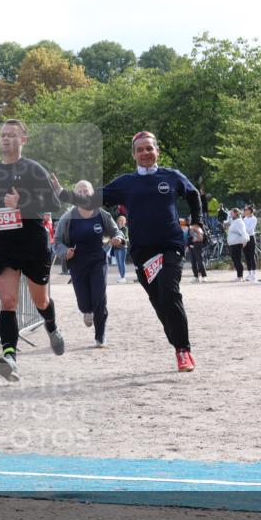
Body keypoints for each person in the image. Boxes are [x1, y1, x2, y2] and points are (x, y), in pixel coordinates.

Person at [53, 130, 203, 372]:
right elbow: (91, 200)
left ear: (157, 151)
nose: (145, 153)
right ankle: (177, 341)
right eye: (140, 149)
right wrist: (63, 194)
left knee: (170, 292)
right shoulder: (125, 183)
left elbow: (193, 194)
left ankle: (182, 350)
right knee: (159, 301)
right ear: (134, 154)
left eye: (149, 148)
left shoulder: (172, 177)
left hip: (171, 246)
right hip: (143, 252)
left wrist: (197, 223)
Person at [0, 119, 65, 382]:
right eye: (3, 135)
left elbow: (53, 204)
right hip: (4, 243)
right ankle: (10, 357)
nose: (5, 139)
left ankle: (51, 325)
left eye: (11, 135)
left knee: (41, 301)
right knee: (8, 301)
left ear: (23, 140)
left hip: (32, 241)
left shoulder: (34, 169)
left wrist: (22, 202)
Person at [53, 181, 125, 347]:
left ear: (92, 194)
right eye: (79, 191)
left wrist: (118, 239)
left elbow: (117, 232)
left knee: (99, 298)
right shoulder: (67, 217)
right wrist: (65, 251)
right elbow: (56, 242)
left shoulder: (102, 215)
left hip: (98, 261)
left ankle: (100, 336)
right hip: (77, 264)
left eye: (86, 191)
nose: (83, 194)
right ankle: (87, 310)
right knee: (83, 302)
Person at [225, 207, 249, 281]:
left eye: (232, 213)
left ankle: (240, 276)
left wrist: (244, 241)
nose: (230, 214)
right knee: (235, 260)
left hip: (237, 244)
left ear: (236, 213)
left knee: (237, 260)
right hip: (233, 244)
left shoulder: (239, 221)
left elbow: (243, 232)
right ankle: (239, 276)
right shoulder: (234, 221)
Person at [242, 205, 258, 281]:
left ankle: (254, 274)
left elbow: (250, 229)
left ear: (250, 210)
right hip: (245, 238)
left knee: (252, 256)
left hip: (251, 238)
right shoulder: (244, 219)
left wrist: (244, 229)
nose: (245, 211)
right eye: (244, 210)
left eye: (246, 210)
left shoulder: (254, 218)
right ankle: (249, 273)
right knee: (246, 256)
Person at [113, 214, 130, 282]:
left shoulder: (125, 228)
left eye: (122, 220)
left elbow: (126, 237)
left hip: (122, 248)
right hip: (116, 248)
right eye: (120, 220)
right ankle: (121, 277)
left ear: (124, 221)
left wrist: (119, 239)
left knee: (121, 262)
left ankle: (123, 277)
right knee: (118, 263)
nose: (121, 221)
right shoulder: (116, 229)